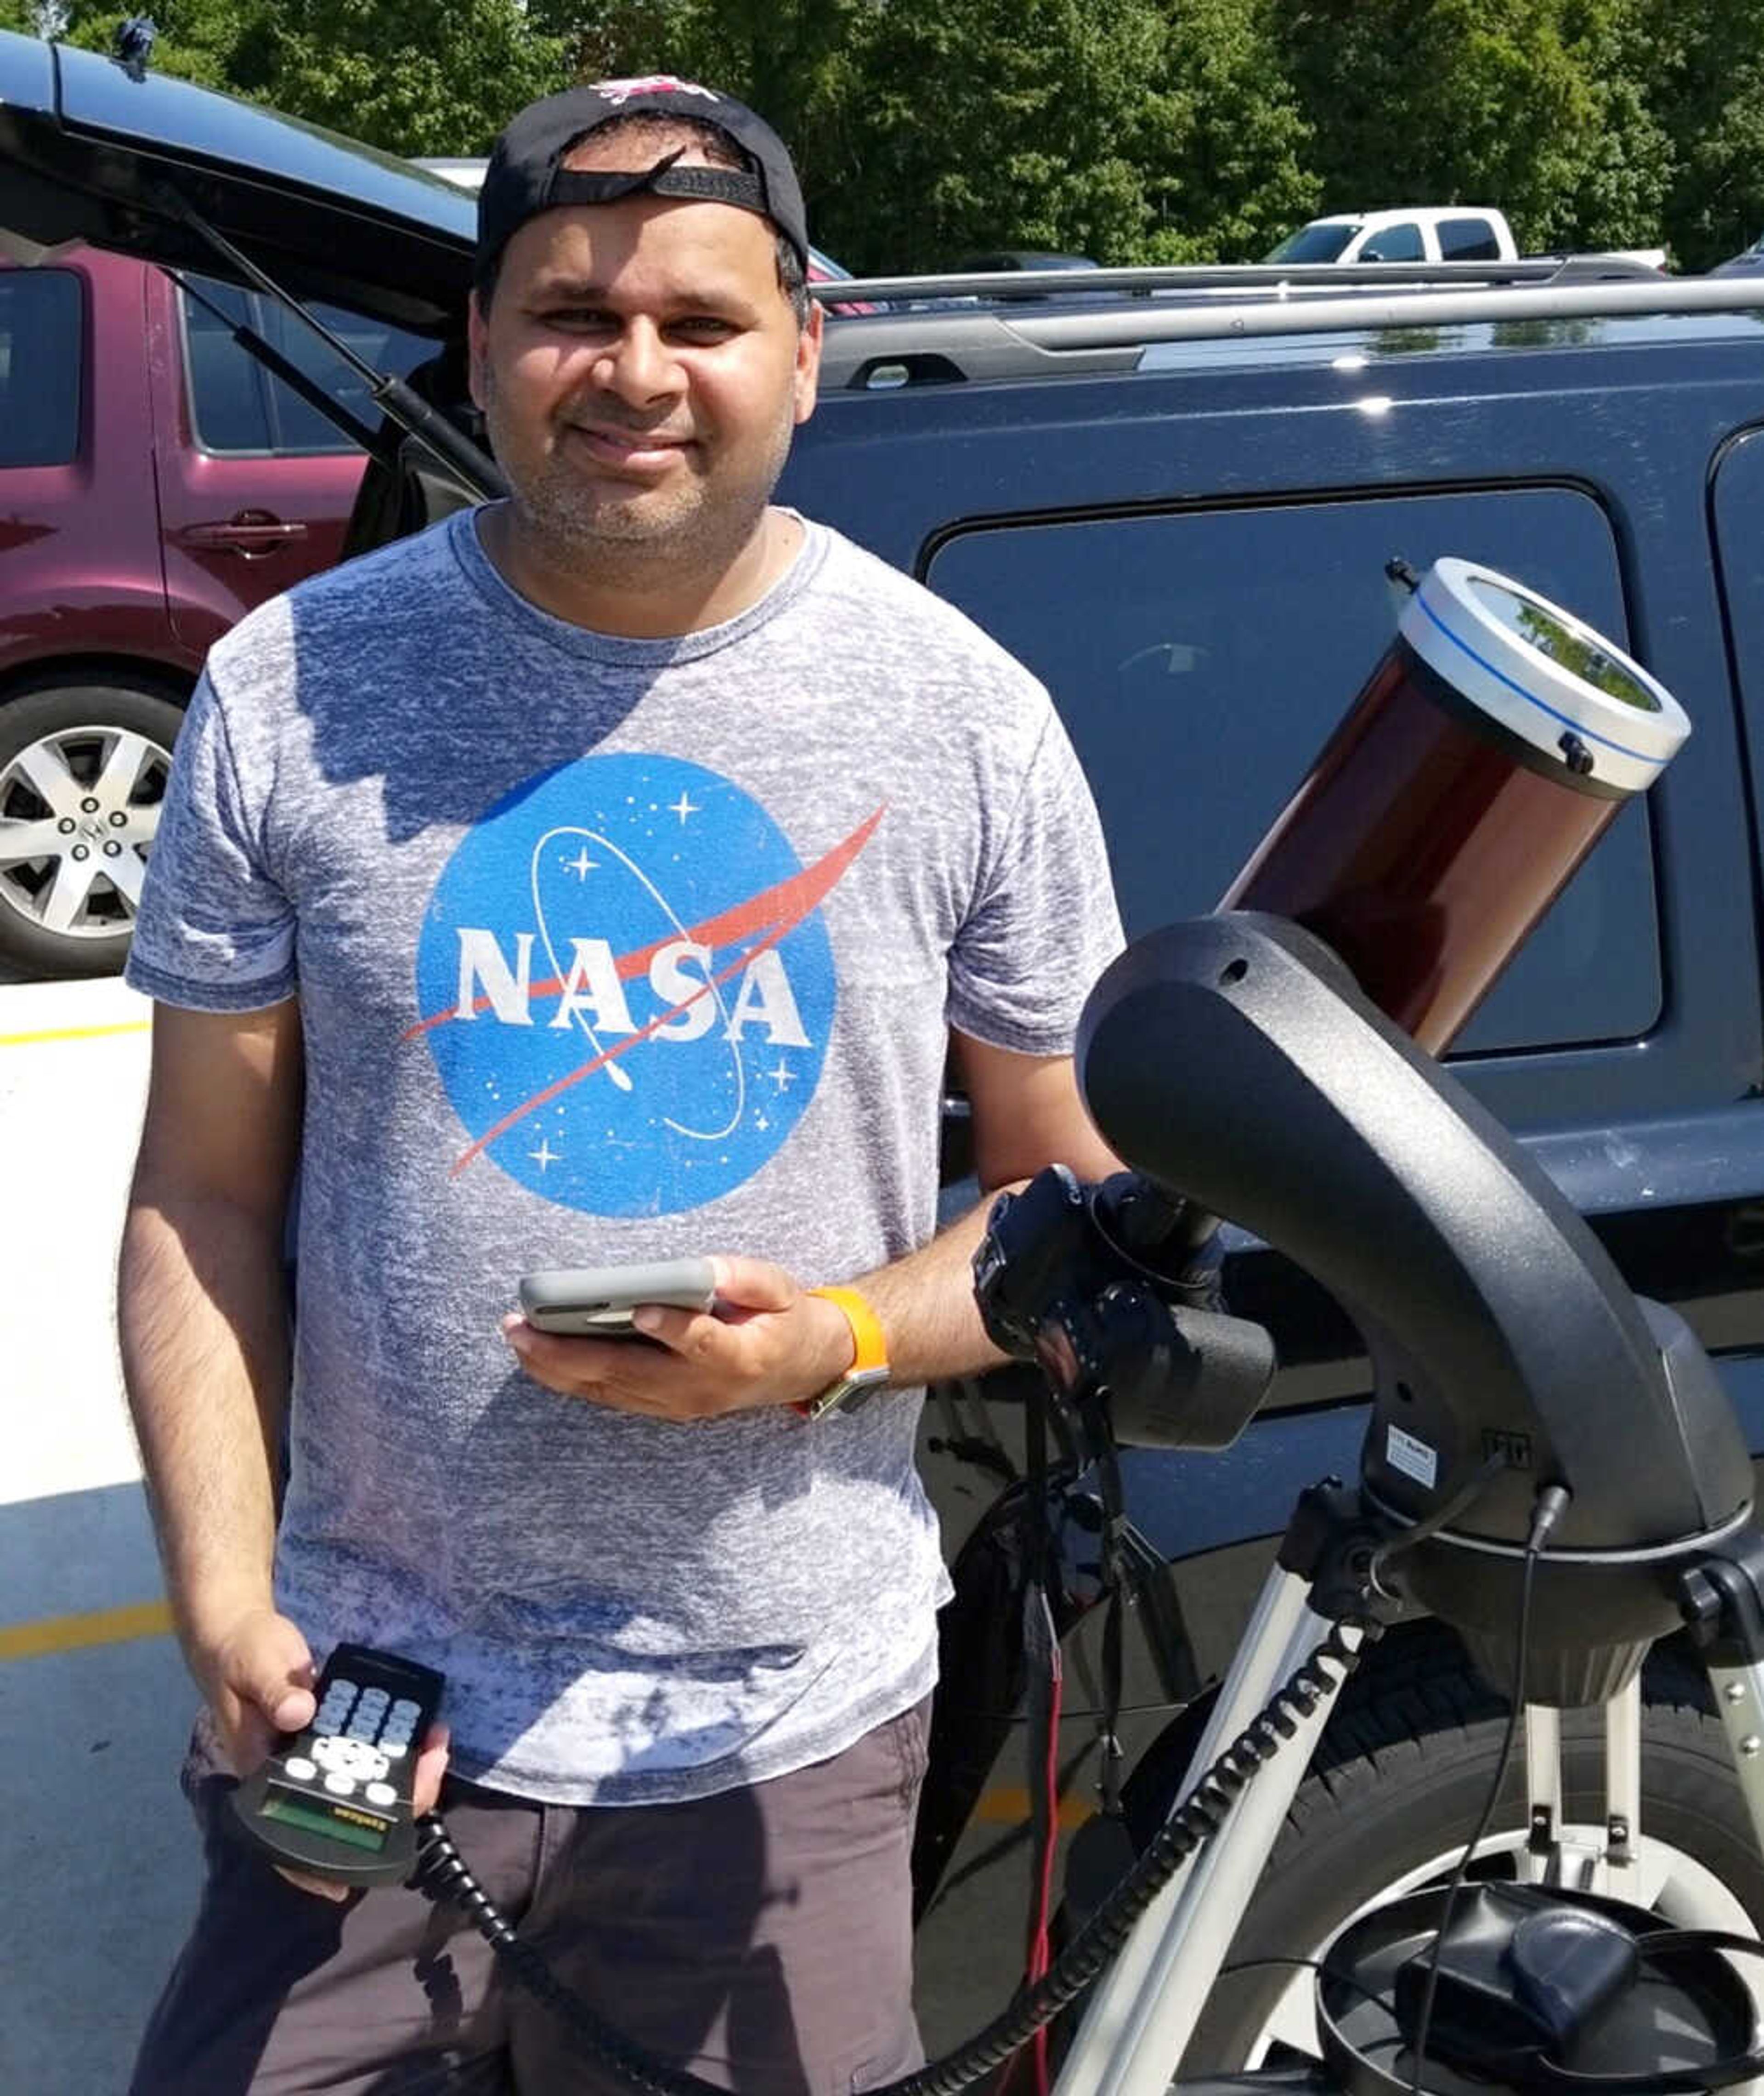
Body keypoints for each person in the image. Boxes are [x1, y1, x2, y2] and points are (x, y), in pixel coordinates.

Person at [121, 74, 1123, 2096]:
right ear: (482, 343)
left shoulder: (962, 715)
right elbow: (202, 1195)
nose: (634, 369)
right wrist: (223, 1590)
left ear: (806, 352)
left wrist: (832, 1340)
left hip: (782, 1738)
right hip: (363, 1710)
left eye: (700, 316)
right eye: (573, 311)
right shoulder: (289, 687)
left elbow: (1070, 1206)